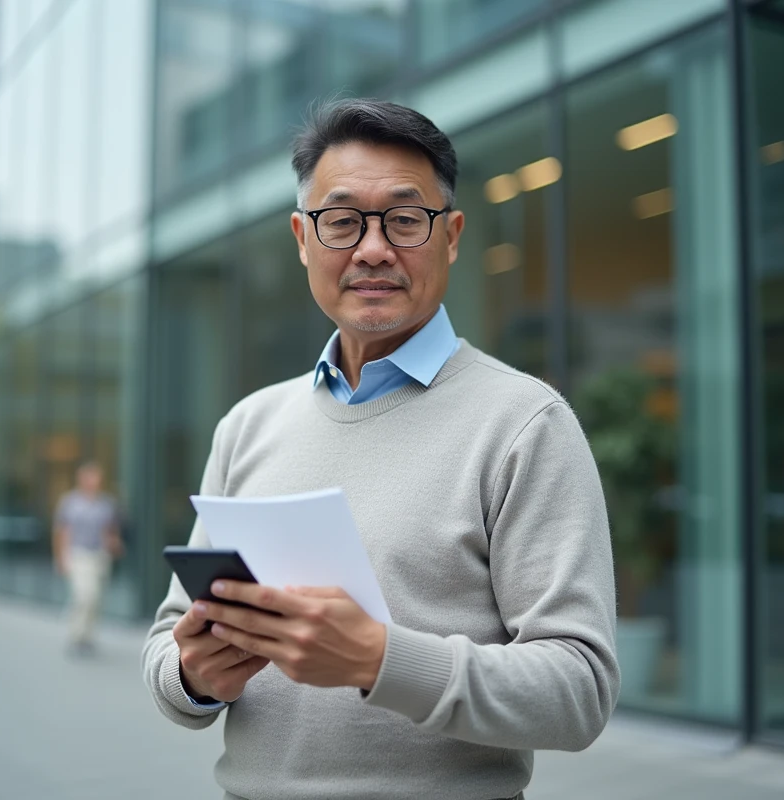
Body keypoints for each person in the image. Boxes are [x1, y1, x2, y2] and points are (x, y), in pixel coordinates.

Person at [141, 99, 620, 800]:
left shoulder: (524, 423)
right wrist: (192, 678)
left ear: (451, 235)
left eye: (404, 218)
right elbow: (168, 636)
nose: (372, 249)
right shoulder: (248, 425)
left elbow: (579, 690)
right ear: (302, 238)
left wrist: (380, 660)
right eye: (341, 221)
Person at [54, 461, 124, 655]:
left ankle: (88, 636)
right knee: (84, 595)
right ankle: (76, 635)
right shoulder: (70, 502)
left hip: (100, 556)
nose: (94, 481)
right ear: (82, 479)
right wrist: (61, 557)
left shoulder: (106, 503)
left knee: (96, 598)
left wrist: (115, 544)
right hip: (78, 554)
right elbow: (62, 531)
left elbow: (110, 530)